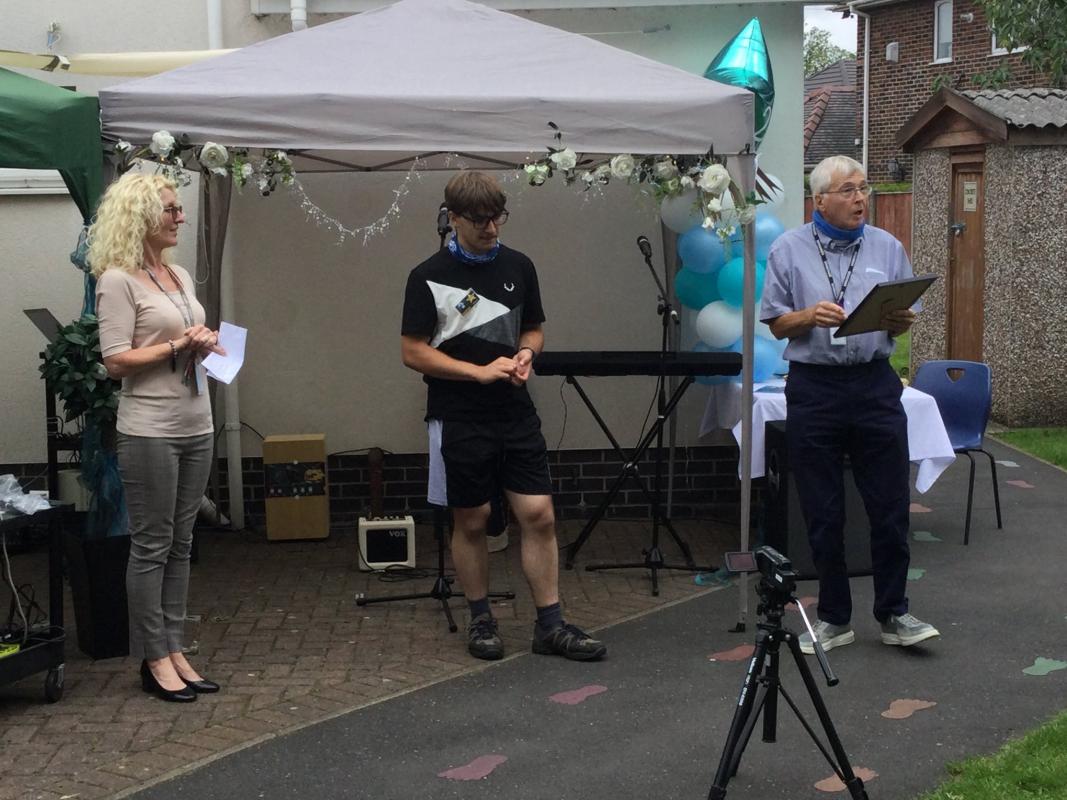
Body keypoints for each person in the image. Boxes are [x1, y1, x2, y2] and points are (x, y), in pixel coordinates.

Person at [401, 170, 606, 662]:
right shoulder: (425, 275)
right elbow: (412, 352)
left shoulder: (520, 265)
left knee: (539, 513)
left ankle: (550, 624)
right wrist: (475, 372)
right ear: (453, 219)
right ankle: (481, 619)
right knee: (473, 519)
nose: (492, 229)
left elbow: (533, 328)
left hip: (515, 409)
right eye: (479, 221)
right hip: (458, 413)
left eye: (498, 218)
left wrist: (526, 356)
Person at [760, 155, 939, 655]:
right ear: (820, 200)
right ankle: (835, 618)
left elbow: (902, 320)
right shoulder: (788, 249)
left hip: (874, 384)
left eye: (863, 189)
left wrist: (900, 321)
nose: (860, 198)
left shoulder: (887, 246)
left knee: (889, 505)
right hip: (815, 386)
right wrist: (806, 315)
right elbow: (775, 323)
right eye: (848, 190)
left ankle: (894, 612)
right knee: (822, 509)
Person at [92, 173, 226, 702]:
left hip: (197, 421)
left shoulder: (178, 274)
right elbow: (115, 361)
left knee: (183, 542)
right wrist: (177, 346)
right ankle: (152, 657)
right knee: (152, 545)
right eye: (170, 209)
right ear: (140, 216)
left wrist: (206, 341)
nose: (180, 217)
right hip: (149, 428)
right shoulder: (117, 280)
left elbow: (186, 339)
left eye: (179, 209)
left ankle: (174, 647)